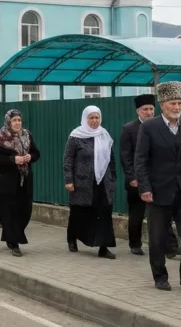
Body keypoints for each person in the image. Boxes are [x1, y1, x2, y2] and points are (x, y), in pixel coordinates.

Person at [134, 81, 181, 293]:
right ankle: (160, 276)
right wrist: (144, 188)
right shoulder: (149, 127)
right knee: (157, 237)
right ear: (163, 104)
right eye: (173, 103)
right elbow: (140, 160)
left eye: (179, 103)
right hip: (157, 192)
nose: (176, 107)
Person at [120, 94, 178, 257]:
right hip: (136, 181)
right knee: (137, 214)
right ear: (138, 111)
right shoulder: (129, 129)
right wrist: (132, 177)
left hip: (157, 180)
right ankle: (135, 243)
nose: (149, 112)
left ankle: (171, 247)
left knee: (163, 214)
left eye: (151, 109)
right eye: (145, 109)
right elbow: (125, 156)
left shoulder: (162, 127)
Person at [64, 105, 118, 259]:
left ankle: (103, 247)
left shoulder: (104, 135)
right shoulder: (76, 136)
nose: (94, 121)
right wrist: (69, 180)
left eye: (97, 117)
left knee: (104, 213)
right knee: (79, 212)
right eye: (91, 118)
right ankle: (72, 238)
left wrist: (112, 179)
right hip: (82, 183)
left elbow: (111, 159)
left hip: (103, 182)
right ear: (85, 118)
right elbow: (68, 159)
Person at [0, 109, 40, 257]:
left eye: (19, 120)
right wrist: (13, 160)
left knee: (25, 211)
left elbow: (37, 153)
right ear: (8, 122)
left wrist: (29, 157)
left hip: (24, 180)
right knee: (9, 212)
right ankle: (14, 243)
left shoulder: (26, 135)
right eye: (14, 120)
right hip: (6, 182)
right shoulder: (0, 138)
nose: (17, 123)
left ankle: (12, 235)